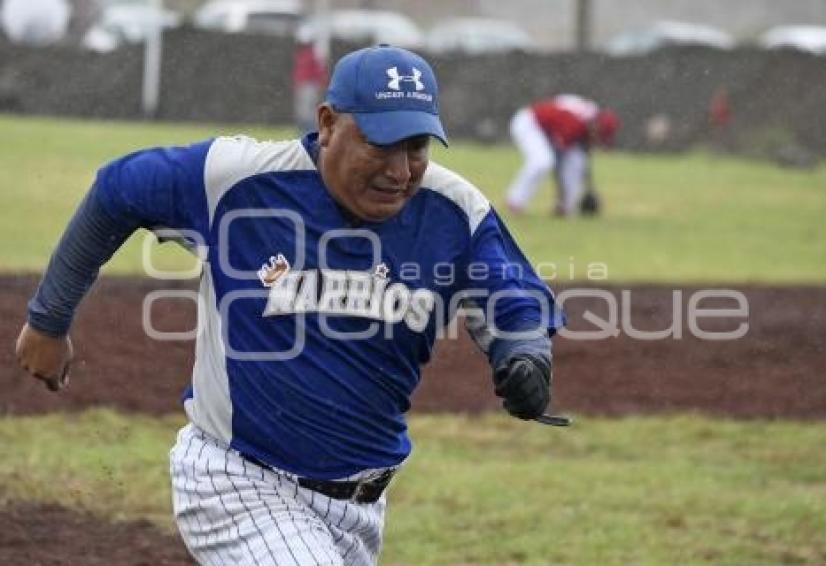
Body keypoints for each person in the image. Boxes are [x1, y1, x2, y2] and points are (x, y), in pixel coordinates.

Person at [15, 45, 565, 565]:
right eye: (380, 144)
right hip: (238, 480)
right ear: (327, 123)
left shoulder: (454, 209)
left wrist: (523, 355)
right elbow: (118, 190)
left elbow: (513, 298)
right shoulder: (237, 180)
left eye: (416, 147)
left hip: (361, 507)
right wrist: (49, 319)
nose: (400, 171)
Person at [505, 94, 619, 216]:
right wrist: (560, 194)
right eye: (600, 135)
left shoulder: (589, 119)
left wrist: (589, 187)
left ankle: (565, 207)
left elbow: (582, 155)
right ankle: (515, 201)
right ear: (596, 126)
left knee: (576, 162)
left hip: (547, 130)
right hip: (530, 123)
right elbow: (558, 161)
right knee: (542, 161)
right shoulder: (574, 123)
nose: (598, 140)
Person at [292, 30, 328, 135]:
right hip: (302, 85)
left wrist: (321, 83)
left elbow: (319, 71)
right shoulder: (301, 54)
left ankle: (309, 132)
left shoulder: (312, 55)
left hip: (309, 85)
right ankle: (302, 132)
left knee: (308, 112)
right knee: (302, 111)